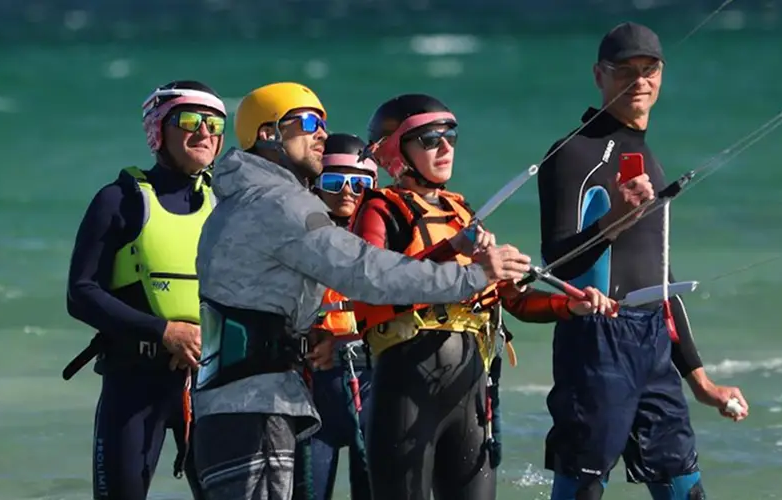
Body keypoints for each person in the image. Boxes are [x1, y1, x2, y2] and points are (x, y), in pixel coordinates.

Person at [189, 81, 533, 500]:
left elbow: (243, 301)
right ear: (267, 135)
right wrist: (473, 276)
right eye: (309, 123)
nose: (322, 134)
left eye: (324, 123)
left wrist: (298, 337)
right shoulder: (279, 203)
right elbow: (367, 272)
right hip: (254, 409)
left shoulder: (237, 201)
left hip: (228, 404)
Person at [349, 93, 617, 500]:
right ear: (395, 152)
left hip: (471, 395)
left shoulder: (462, 212)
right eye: (429, 140)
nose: (445, 148)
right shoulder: (379, 210)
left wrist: (570, 304)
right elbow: (370, 284)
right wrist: (453, 249)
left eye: (450, 137)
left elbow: (515, 302)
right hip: (405, 387)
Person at [533, 22, 750, 500]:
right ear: (598, 75)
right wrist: (616, 219)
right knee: (584, 482)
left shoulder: (646, 154)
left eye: (648, 70)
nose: (639, 81)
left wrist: (700, 380)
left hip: (651, 342)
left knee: (681, 480)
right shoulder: (572, 154)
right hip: (596, 340)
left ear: (661, 75)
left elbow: (660, 278)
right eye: (623, 70)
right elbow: (558, 263)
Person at [64, 80, 228, 500]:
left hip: (210, 383)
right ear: (158, 129)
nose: (204, 132)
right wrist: (164, 331)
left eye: (214, 123)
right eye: (189, 120)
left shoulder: (225, 205)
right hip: (134, 383)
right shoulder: (119, 200)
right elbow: (80, 293)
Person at [294, 134, 379, 500]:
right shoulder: (293, 239)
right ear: (314, 183)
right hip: (310, 398)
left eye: (359, 183)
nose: (348, 191)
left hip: (373, 391)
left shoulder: (387, 241)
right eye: (334, 181)